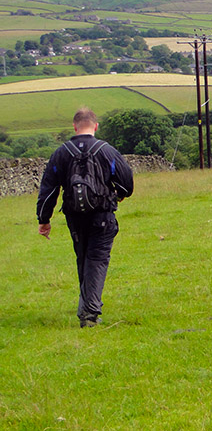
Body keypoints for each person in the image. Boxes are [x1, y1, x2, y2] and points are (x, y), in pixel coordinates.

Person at [36, 107, 134, 328]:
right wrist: (117, 195)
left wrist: (44, 219)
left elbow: (49, 189)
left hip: (75, 217)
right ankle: (89, 314)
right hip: (102, 215)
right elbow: (126, 183)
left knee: (83, 259)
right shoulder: (107, 151)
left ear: (74, 126)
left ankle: (87, 308)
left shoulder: (61, 153)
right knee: (97, 260)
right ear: (95, 126)